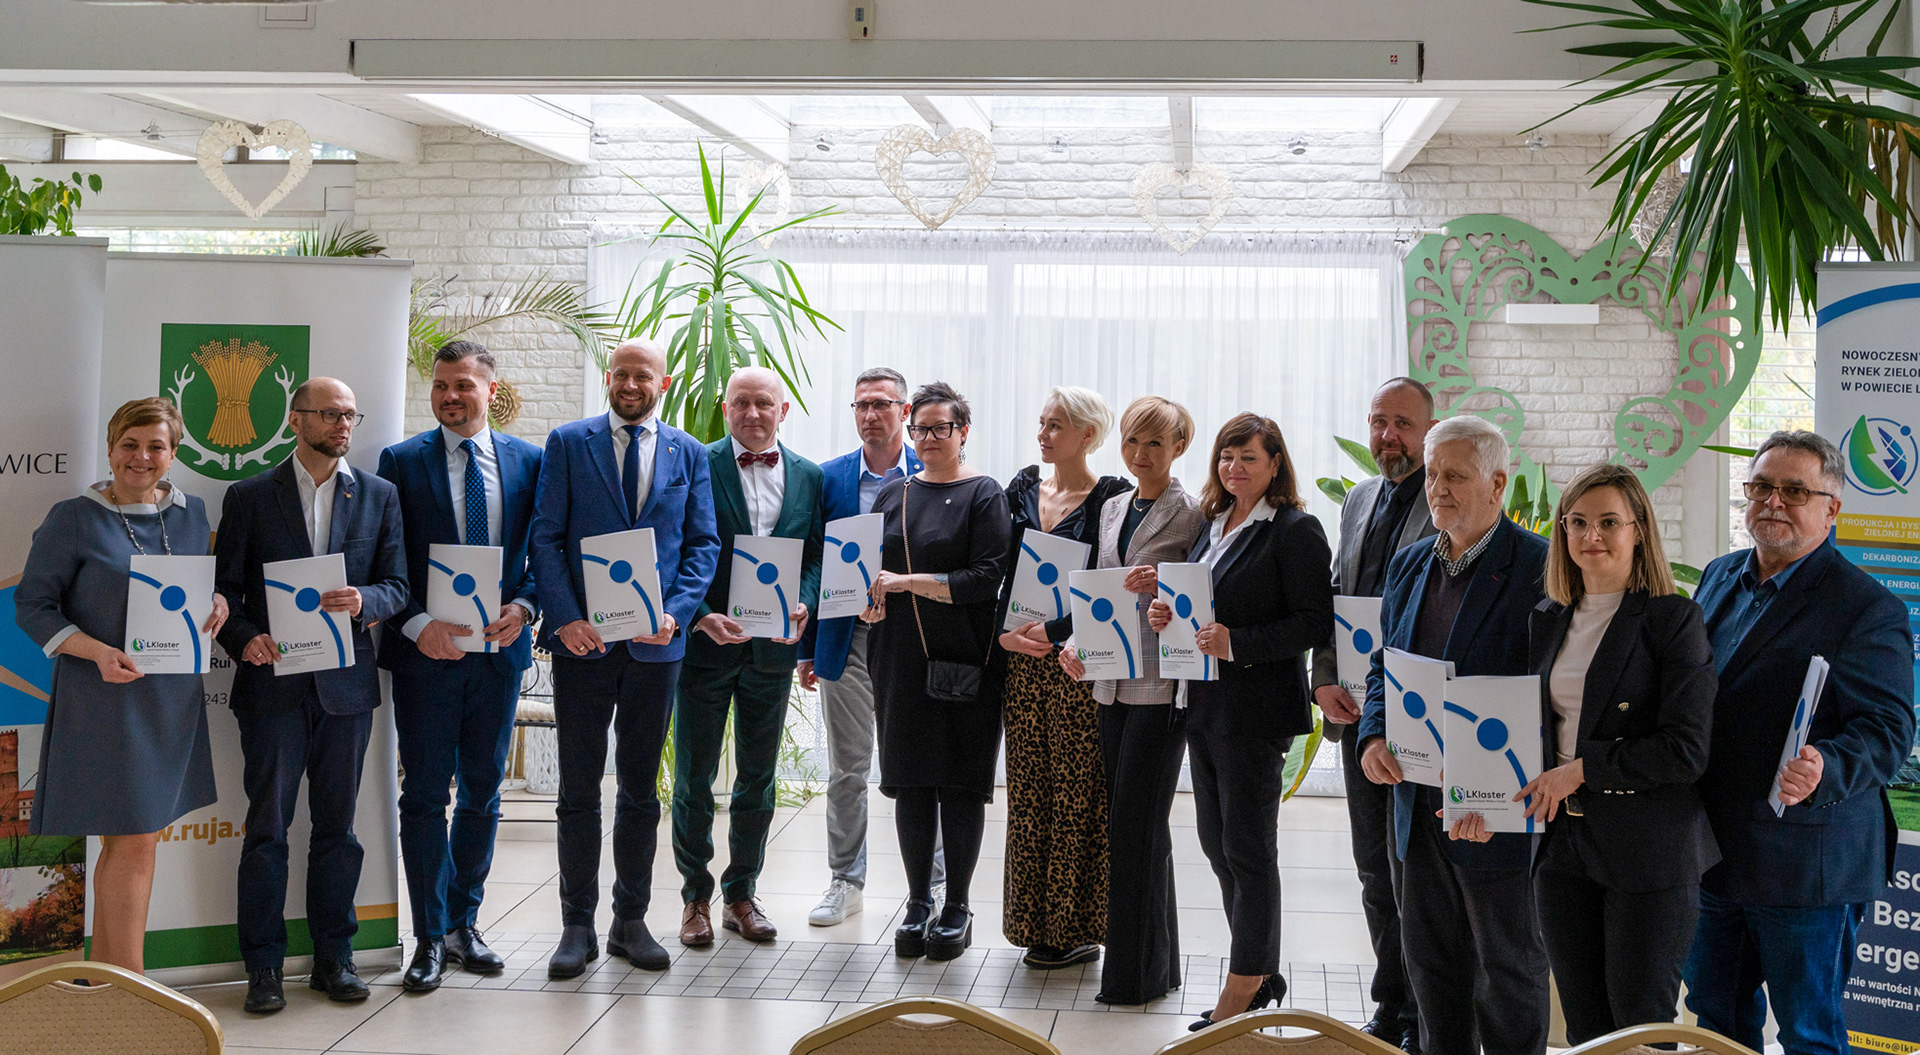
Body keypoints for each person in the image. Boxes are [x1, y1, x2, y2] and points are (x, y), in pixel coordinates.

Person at [1682, 430, 1914, 1055]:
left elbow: (1889, 729)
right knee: (1714, 1022)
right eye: (1761, 487)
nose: (1773, 502)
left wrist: (1825, 766)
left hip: (1806, 866)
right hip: (1710, 853)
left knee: (1809, 1035)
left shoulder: (1866, 607)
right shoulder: (1720, 575)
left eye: (1794, 491)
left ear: (1832, 508)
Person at [1356, 414, 1550, 1055]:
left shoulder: (1541, 567)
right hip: (1415, 803)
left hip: (1495, 811)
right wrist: (1373, 736)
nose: (1438, 488)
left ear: (1497, 484)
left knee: (1507, 973)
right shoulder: (1411, 562)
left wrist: (1492, 792)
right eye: (1433, 474)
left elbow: (1551, 692)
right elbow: (1385, 667)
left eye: (1456, 476)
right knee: (1431, 970)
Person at [213, 378, 408, 1013]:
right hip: (272, 687)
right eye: (329, 414)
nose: (343, 424)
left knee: (338, 830)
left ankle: (334, 958)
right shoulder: (248, 496)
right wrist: (245, 638)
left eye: (350, 414)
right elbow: (225, 591)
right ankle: (264, 967)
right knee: (267, 829)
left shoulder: (377, 494)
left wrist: (365, 600)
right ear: (296, 420)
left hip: (345, 689)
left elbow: (398, 584)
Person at [13, 397, 226, 974]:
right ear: (110, 449)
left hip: (171, 702)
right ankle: (132, 989)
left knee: (128, 841)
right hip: (103, 698)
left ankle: (109, 982)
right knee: (135, 840)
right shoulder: (74, 517)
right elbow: (32, 606)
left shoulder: (192, 513)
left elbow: (194, 588)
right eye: (130, 444)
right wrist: (97, 652)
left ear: (173, 454)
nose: (141, 457)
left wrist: (218, 602)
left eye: (156, 446)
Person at [530, 337, 720, 978]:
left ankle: (629, 920)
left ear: (662, 384)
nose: (631, 385)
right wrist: (566, 618)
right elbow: (545, 537)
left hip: (656, 648)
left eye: (643, 376)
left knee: (640, 789)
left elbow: (702, 544)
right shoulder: (568, 443)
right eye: (621, 374)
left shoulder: (688, 452)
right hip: (583, 643)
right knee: (578, 788)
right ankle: (576, 925)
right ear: (608, 378)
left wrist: (678, 611)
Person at [1148, 412, 1333, 1032]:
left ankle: (1246, 982)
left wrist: (1239, 644)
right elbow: (1201, 606)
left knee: (1248, 851)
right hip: (1203, 705)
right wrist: (1166, 614)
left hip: (1255, 714)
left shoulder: (1294, 530)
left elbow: (1314, 622)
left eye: (1249, 457)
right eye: (1227, 457)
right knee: (1216, 844)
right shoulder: (1213, 524)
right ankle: (1260, 972)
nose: (1234, 468)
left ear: (1275, 464)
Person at [1522, 464, 1717, 1045]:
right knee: (1584, 1027)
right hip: (1562, 848)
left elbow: (1686, 750)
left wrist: (1582, 770)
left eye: (1609, 522)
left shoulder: (1672, 619)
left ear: (1639, 530)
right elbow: (1532, 732)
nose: (1592, 536)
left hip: (1648, 851)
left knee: (1640, 1028)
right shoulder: (1548, 618)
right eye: (1577, 522)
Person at [376, 341, 542, 992]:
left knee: (483, 791)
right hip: (427, 657)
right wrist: (418, 625)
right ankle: (427, 936)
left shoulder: (529, 461)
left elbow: (542, 553)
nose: (449, 396)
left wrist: (525, 606)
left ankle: (463, 925)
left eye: (463, 385)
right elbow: (386, 557)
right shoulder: (401, 461)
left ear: (491, 390)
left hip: (498, 654)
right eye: (441, 385)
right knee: (423, 794)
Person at [1057, 396, 1207, 1005]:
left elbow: (1205, 591)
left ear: (1179, 448)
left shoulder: (1193, 513)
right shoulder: (1114, 506)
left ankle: (1130, 977)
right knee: (1138, 826)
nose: (1141, 454)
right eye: (1132, 441)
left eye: (1155, 443)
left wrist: (1164, 588)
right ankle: (1156, 966)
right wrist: (1075, 644)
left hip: (1161, 685)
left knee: (1135, 827)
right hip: (1110, 679)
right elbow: (1101, 592)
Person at [1307, 377, 1438, 1050]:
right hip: (1357, 711)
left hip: (1423, 714)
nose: (1389, 436)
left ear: (1430, 431)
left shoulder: (1446, 498)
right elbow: (1337, 592)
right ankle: (1391, 1004)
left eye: (1403, 424)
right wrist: (1323, 679)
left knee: (1416, 871)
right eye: (1379, 422)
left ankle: (1425, 1013)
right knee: (1372, 869)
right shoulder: (1359, 498)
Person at [672, 367, 824, 947]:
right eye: (741, 403)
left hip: (772, 654)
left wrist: (805, 601)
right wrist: (700, 613)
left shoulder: (809, 476)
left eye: (764, 403)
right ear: (725, 408)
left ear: (783, 410)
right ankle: (695, 897)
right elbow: (677, 547)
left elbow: (815, 553)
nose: (753, 413)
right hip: (705, 647)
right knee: (694, 778)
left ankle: (741, 893)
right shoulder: (696, 463)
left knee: (758, 778)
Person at [861, 382, 1011, 962]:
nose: (927, 438)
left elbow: (986, 578)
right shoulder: (893, 493)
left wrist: (906, 583)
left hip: (965, 657)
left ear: (962, 432)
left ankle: (958, 906)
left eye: (939, 428)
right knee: (911, 783)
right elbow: (868, 571)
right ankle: (918, 901)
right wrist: (870, 600)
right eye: (919, 428)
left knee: (959, 783)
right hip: (898, 655)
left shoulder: (984, 493)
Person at [997, 386, 1129, 970]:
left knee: (1077, 794)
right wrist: (1004, 633)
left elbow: (1111, 582)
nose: (1043, 434)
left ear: (1087, 436)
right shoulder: (1022, 487)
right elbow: (1000, 568)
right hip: (1020, 660)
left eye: (1056, 425)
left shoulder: (1112, 499)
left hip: (1076, 663)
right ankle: (1029, 922)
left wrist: (1055, 633)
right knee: (1028, 790)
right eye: (1042, 422)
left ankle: (1075, 928)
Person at [799, 367, 933, 927]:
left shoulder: (935, 471)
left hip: (914, 639)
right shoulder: (828, 477)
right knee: (847, 769)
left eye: (881, 404)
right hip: (847, 637)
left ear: (905, 411)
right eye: (861, 405)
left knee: (922, 766)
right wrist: (807, 650)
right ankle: (845, 881)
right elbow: (812, 560)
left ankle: (933, 885)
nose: (870, 414)